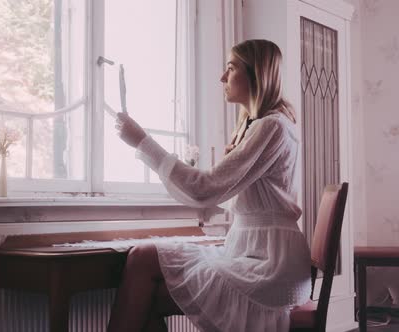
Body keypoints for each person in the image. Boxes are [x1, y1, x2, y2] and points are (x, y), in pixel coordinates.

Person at [108, 39, 311, 332]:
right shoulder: (257, 126)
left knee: (145, 285)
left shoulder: (272, 127)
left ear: (258, 74)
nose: (222, 77)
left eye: (231, 68)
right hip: (248, 251)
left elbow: (204, 189)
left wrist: (143, 142)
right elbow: (215, 195)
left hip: (269, 265)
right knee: (142, 256)